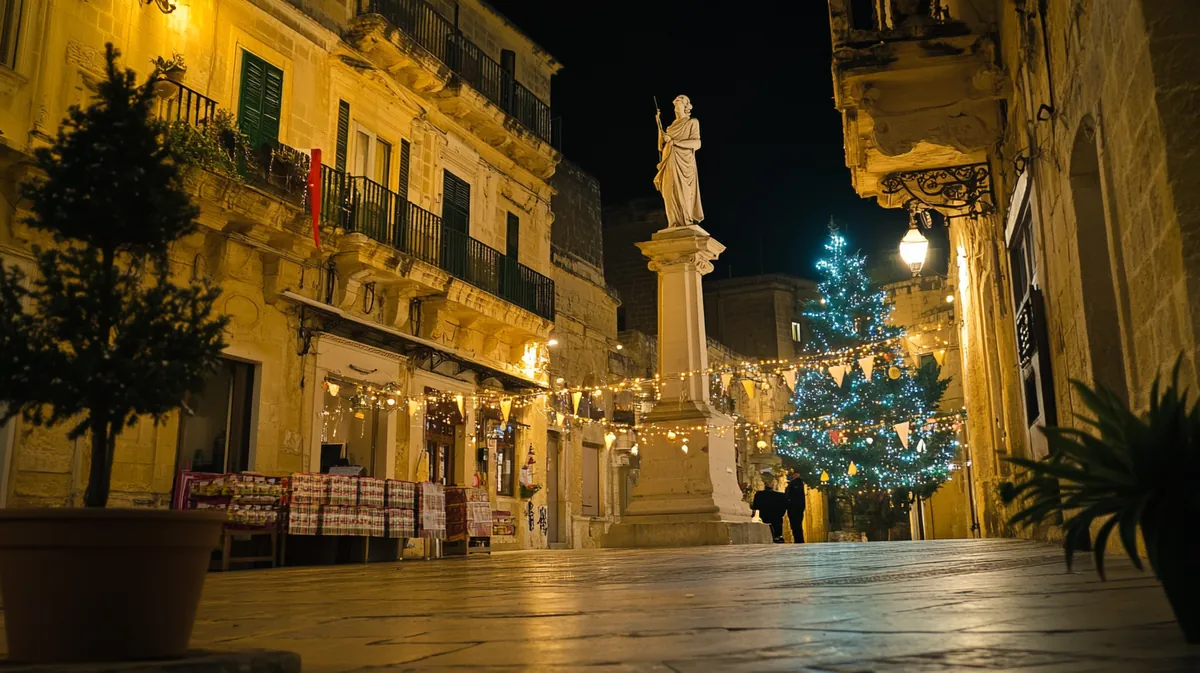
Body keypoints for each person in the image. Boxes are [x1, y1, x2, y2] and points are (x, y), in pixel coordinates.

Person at [654, 94, 704, 228]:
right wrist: (660, 128)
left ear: (686, 106)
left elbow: (697, 143)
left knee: (683, 192)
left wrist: (675, 142)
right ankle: (673, 222)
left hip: (683, 164)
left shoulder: (692, 122)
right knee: (669, 192)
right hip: (669, 160)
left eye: (678, 103)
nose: (675, 105)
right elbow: (661, 146)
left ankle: (686, 221)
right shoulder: (670, 128)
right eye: (674, 103)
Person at [751, 476, 789, 543]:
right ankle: (778, 536)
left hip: (765, 515)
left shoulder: (759, 495)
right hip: (776, 516)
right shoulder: (780, 496)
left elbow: (755, 506)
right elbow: (785, 505)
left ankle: (774, 537)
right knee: (777, 524)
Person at [785, 470, 807, 543]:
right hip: (796, 508)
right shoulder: (796, 483)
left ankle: (798, 540)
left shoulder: (796, 483)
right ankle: (798, 539)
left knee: (796, 525)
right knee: (796, 525)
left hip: (795, 508)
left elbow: (794, 495)